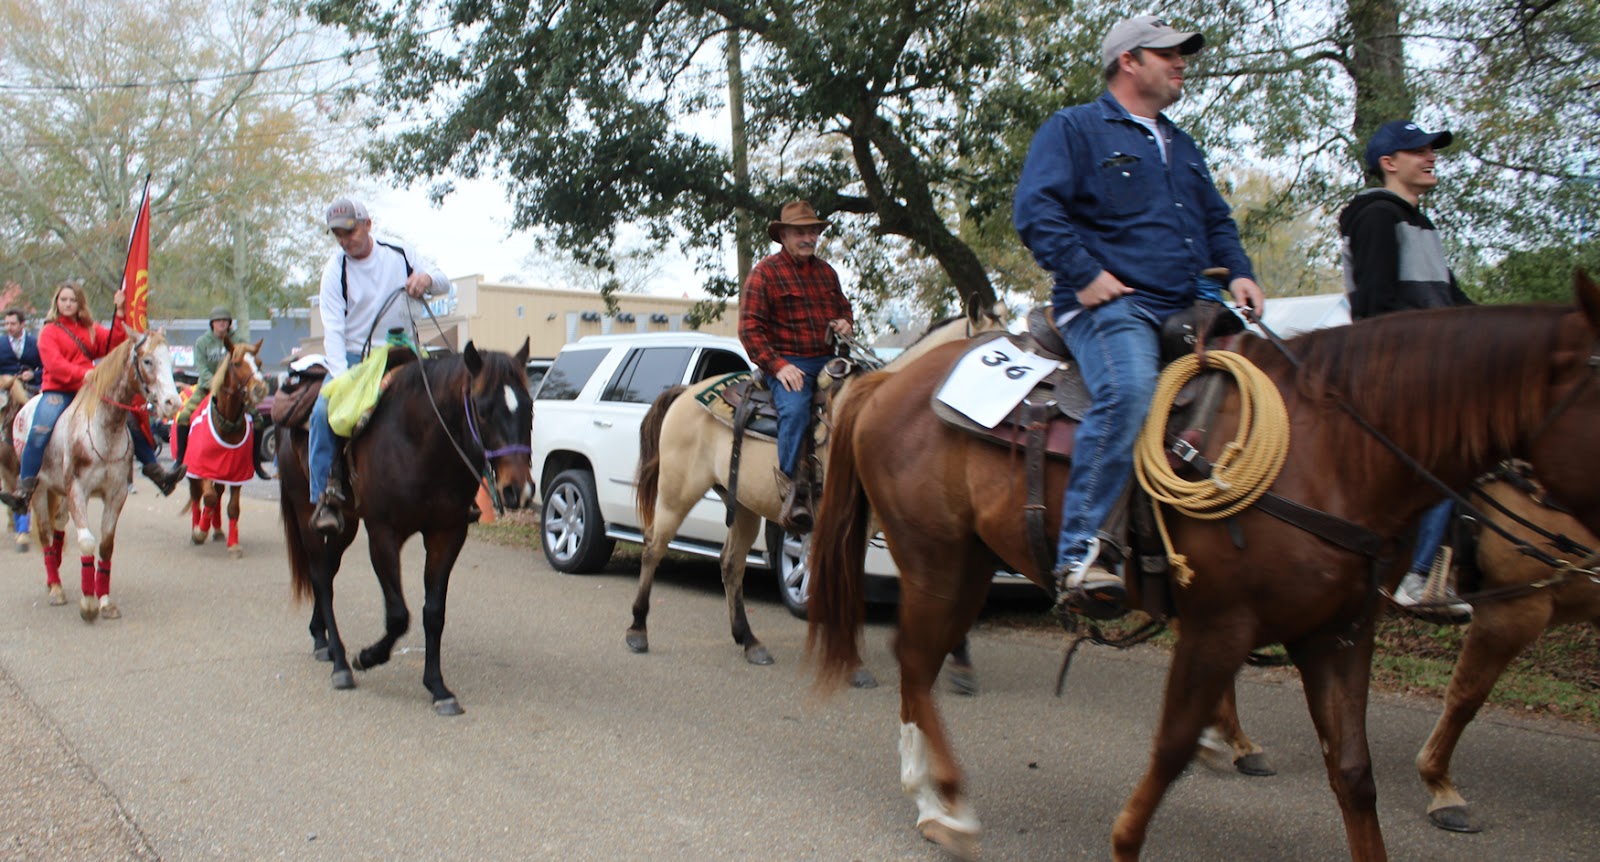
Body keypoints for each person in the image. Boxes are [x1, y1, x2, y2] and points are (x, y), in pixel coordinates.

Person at [1013, 16, 1264, 619]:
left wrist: (1239, 270)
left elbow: (1216, 221)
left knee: (1275, 384)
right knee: (1127, 391)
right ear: (1129, 61)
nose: (1182, 63)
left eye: (1183, 54)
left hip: (1192, 306)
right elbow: (1036, 210)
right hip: (1111, 304)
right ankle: (1081, 554)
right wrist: (1086, 275)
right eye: (1169, 54)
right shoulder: (1074, 128)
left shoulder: (1181, 144)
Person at [1339, 118, 1474, 621]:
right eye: (1417, 151)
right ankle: (1417, 579)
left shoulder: (1420, 224)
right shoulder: (1376, 217)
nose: (1430, 156)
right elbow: (1374, 309)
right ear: (1389, 164)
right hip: (1396, 370)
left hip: (1432, 365)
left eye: (1431, 149)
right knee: (1451, 455)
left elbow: (1453, 302)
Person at [306, 197, 451, 535]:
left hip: (403, 349)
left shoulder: (398, 251)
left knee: (450, 398)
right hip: (356, 357)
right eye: (337, 235)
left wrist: (426, 279)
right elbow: (333, 329)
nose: (345, 240)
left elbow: (444, 280)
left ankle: (456, 487)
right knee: (322, 412)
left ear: (368, 224)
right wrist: (342, 380)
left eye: (350, 231)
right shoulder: (335, 270)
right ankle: (324, 495)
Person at [0, 283, 186, 515]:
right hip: (58, 390)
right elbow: (54, 364)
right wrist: (83, 374)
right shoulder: (49, 331)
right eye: (64, 299)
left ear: (79, 303)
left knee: (129, 419)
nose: (68, 304)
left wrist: (119, 312)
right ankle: (24, 490)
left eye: (72, 300)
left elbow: (113, 343)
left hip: (90, 390)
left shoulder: (89, 328)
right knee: (39, 429)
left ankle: (157, 472)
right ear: (56, 302)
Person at [738, 200, 854, 534]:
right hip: (789, 362)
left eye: (813, 231)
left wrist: (845, 322)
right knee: (796, 411)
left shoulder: (826, 272)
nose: (809, 237)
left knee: (868, 398)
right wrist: (778, 367)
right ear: (784, 235)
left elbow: (843, 309)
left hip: (829, 357)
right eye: (801, 232)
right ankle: (792, 489)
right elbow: (749, 330)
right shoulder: (765, 273)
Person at [173, 305, 236, 463]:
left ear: (229, 324)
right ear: (212, 324)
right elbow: (202, 368)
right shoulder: (202, 342)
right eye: (218, 321)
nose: (222, 324)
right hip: (206, 387)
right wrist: (216, 385)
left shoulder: (238, 340)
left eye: (225, 321)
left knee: (257, 419)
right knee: (184, 416)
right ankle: (180, 460)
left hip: (233, 390)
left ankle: (255, 463)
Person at [1, 308, 42, 393]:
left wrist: (33, 375)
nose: (9, 327)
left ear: (22, 324)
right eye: (6, 324)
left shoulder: (35, 343)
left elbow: (46, 367)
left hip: (31, 387)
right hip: (4, 389)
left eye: (13, 324)